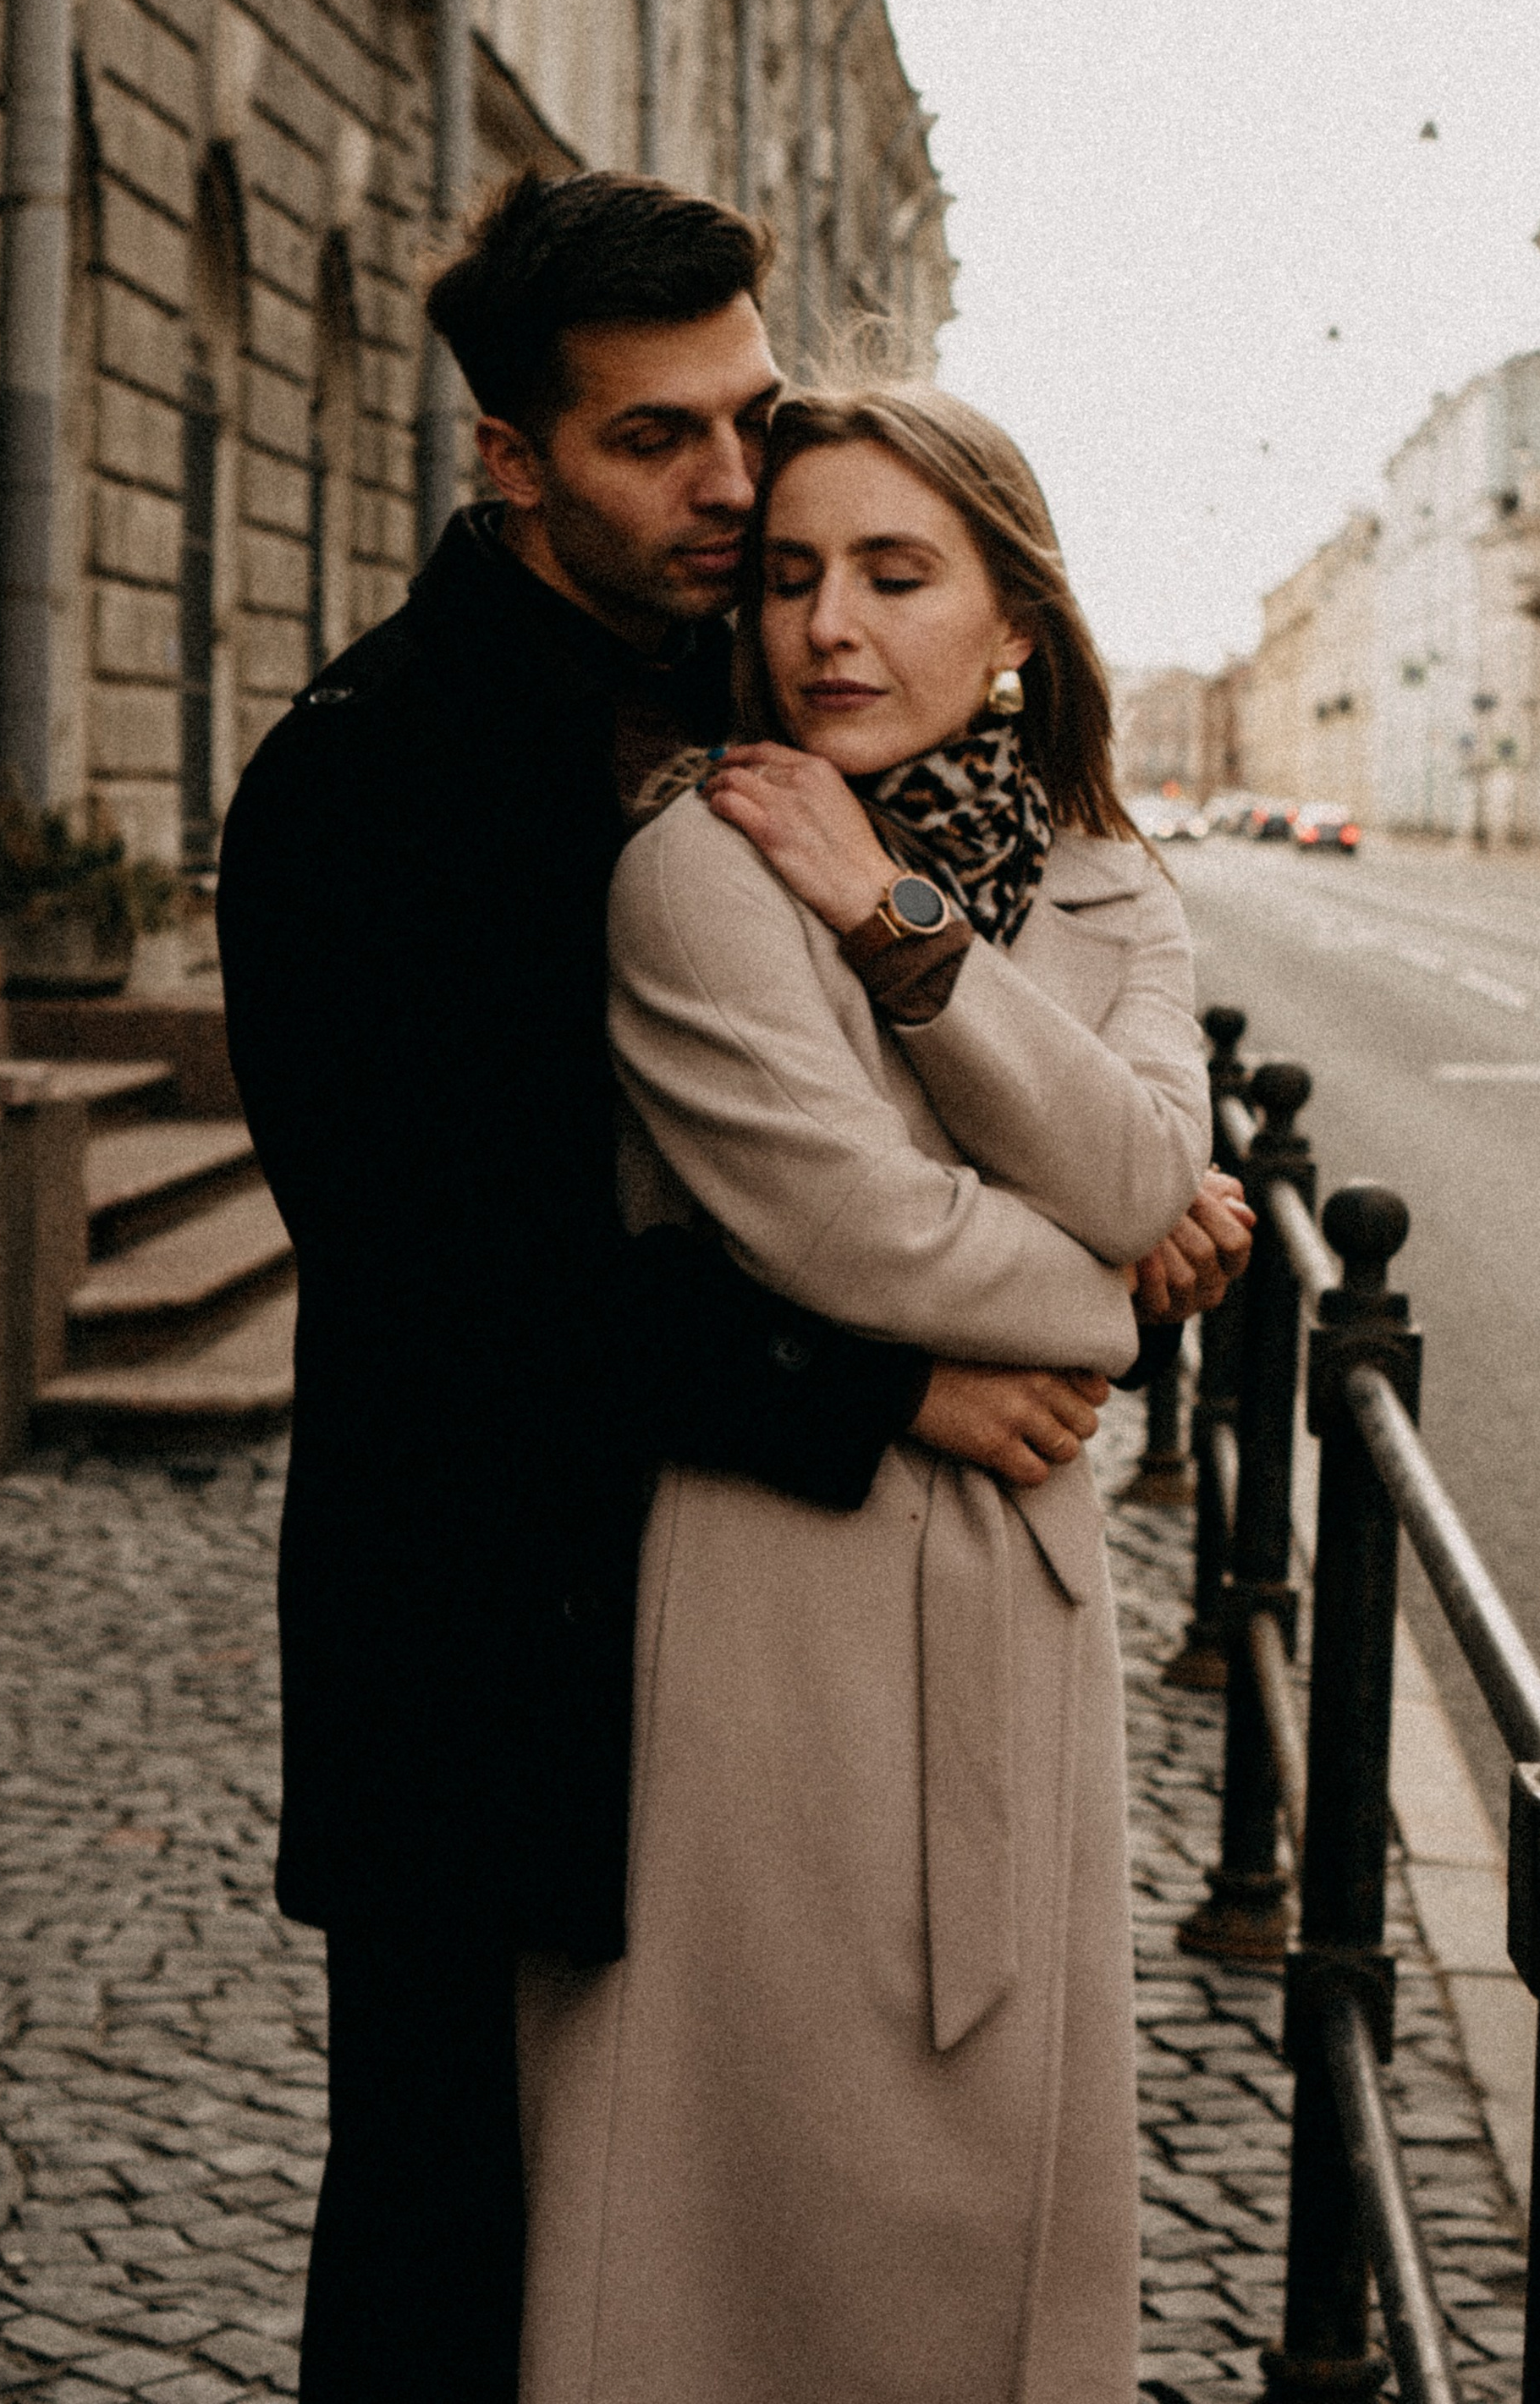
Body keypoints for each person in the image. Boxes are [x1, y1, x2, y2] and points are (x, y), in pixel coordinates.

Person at [219, 178, 1237, 2404]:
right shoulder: (372, 774)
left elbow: (1023, 1027)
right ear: (513, 458)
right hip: (487, 1626)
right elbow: (452, 1282)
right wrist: (902, 1379)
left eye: (746, 421)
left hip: (725, 1599)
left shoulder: (747, 685)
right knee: (457, 2248)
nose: (731, 491)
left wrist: (1147, 1180)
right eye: (652, 439)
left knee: (736, 2223)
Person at [515, 385, 1249, 2404]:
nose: (826, 624)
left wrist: (892, 916)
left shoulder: (1105, 884)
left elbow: (1135, 1163)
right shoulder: (696, 867)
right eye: (789, 576)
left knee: (995, 2207)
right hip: (777, 1594)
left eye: (893, 574)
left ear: (1010, 622)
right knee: (751, 2195)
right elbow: (855, 1231)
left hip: (1020, 1585)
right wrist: (1113, 1296)